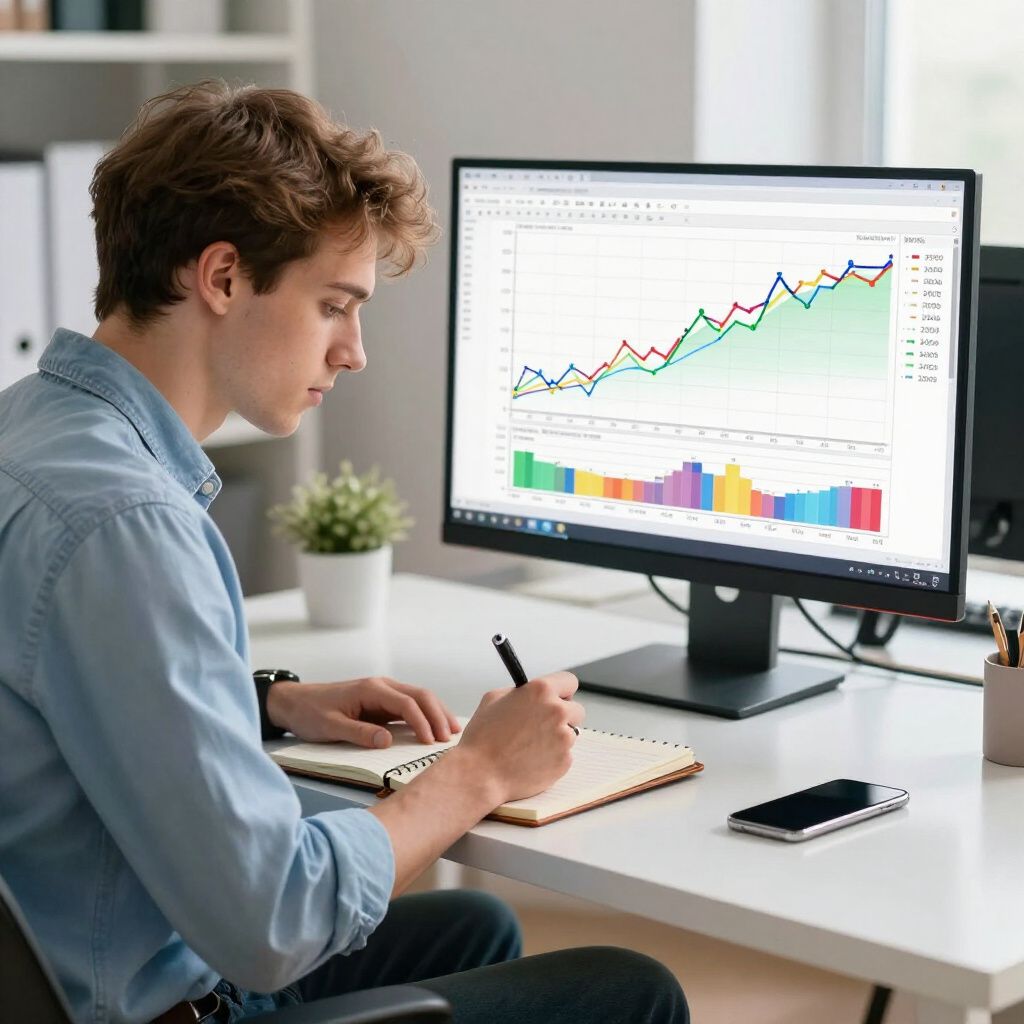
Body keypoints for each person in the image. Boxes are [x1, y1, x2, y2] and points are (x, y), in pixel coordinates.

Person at [0, 80, 689, 1024]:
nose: (354, 351)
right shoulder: (129, 525)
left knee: (472, 931)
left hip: (76, 956)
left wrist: (264, 701)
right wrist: (478, 772)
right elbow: (272, 921)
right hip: (148, 1003)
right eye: (334, 305)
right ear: (224, 277)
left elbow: (41, 683)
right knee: (631, 991)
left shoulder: (29, 435)